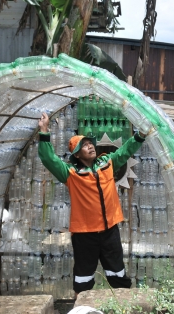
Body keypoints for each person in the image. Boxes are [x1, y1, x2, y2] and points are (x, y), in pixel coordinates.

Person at [37, 112, 145, 295]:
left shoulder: (107, 164)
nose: (90, 147)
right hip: (85, 235)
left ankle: (123, 305)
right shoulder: (70, 174)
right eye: (84, 146)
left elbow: (124, 151)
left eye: (90, 143)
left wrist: (140, 136)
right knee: (83, 277)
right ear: (77, 154)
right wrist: (44, 130)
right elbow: (49, 159)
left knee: (117, 273)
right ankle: (81, 305)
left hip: (110, 230)